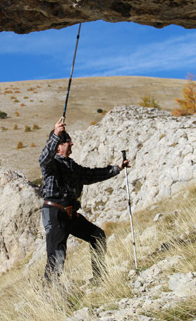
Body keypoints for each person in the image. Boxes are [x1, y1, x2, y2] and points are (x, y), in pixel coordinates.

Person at [39, 117, 130, 283]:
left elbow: (93, 175)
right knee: (57, 256)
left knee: (97, 236)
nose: (72, 144)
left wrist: (117, 168)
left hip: (70, 215)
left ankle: (99, 279)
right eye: (68, 141)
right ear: (59, 146)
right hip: (55, 215)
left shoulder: (73, 167)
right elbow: (43, 159)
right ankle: (49, 297)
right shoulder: (51, 165)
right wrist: (56, 134)